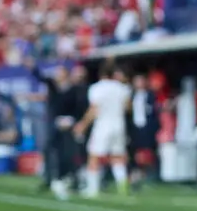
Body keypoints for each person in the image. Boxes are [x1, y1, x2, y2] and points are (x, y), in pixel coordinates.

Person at [33, 61, 85, 200]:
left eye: (60, 73)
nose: (57, 75)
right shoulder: (53, 86)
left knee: (68, 153)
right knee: (49, 150)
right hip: (53, 124)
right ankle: (49, 179)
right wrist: (32, 67)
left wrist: (72, 120)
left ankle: (69, 178)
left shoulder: (73, 89)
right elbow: (41, 77)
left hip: (68, 125)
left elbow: (78, 107)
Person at [77, 66, 132, 198]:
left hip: (102, 125)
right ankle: (122, 185)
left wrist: (83, 124)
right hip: (119, 125)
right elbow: (128, 108)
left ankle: (92, 189)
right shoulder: (122, 88)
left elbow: (94, 109)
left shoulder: (96, 88)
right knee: (117, 157)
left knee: (94, 157)